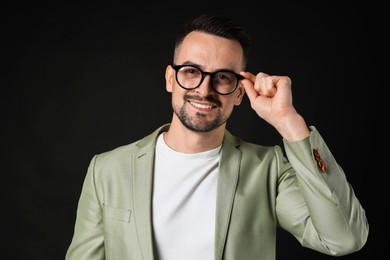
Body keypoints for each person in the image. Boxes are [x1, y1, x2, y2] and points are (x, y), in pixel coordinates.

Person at [65, 14, 369, 260]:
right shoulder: (107, 170)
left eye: (223, 77)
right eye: (191, 71)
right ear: (171, 78)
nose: (204, 89)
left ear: (239, 93)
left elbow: (344, 239)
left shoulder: (269, 170)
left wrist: (291, 124)